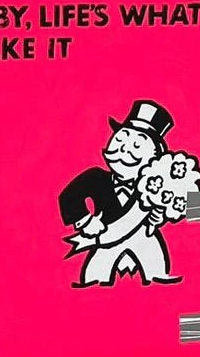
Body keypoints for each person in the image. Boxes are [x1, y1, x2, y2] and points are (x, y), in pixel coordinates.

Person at [58, 99, 181, 286]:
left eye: (137, 146)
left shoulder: (156, 185)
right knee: (96, 274)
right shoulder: (96, 177)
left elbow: (176, 206)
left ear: (157, 156)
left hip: (144, 237)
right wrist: (84, 220)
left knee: (155, 265)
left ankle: (158, 279)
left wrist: (158, 216)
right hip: (105, 236)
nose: (125, 149)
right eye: (120, 139)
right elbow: (69, 196)